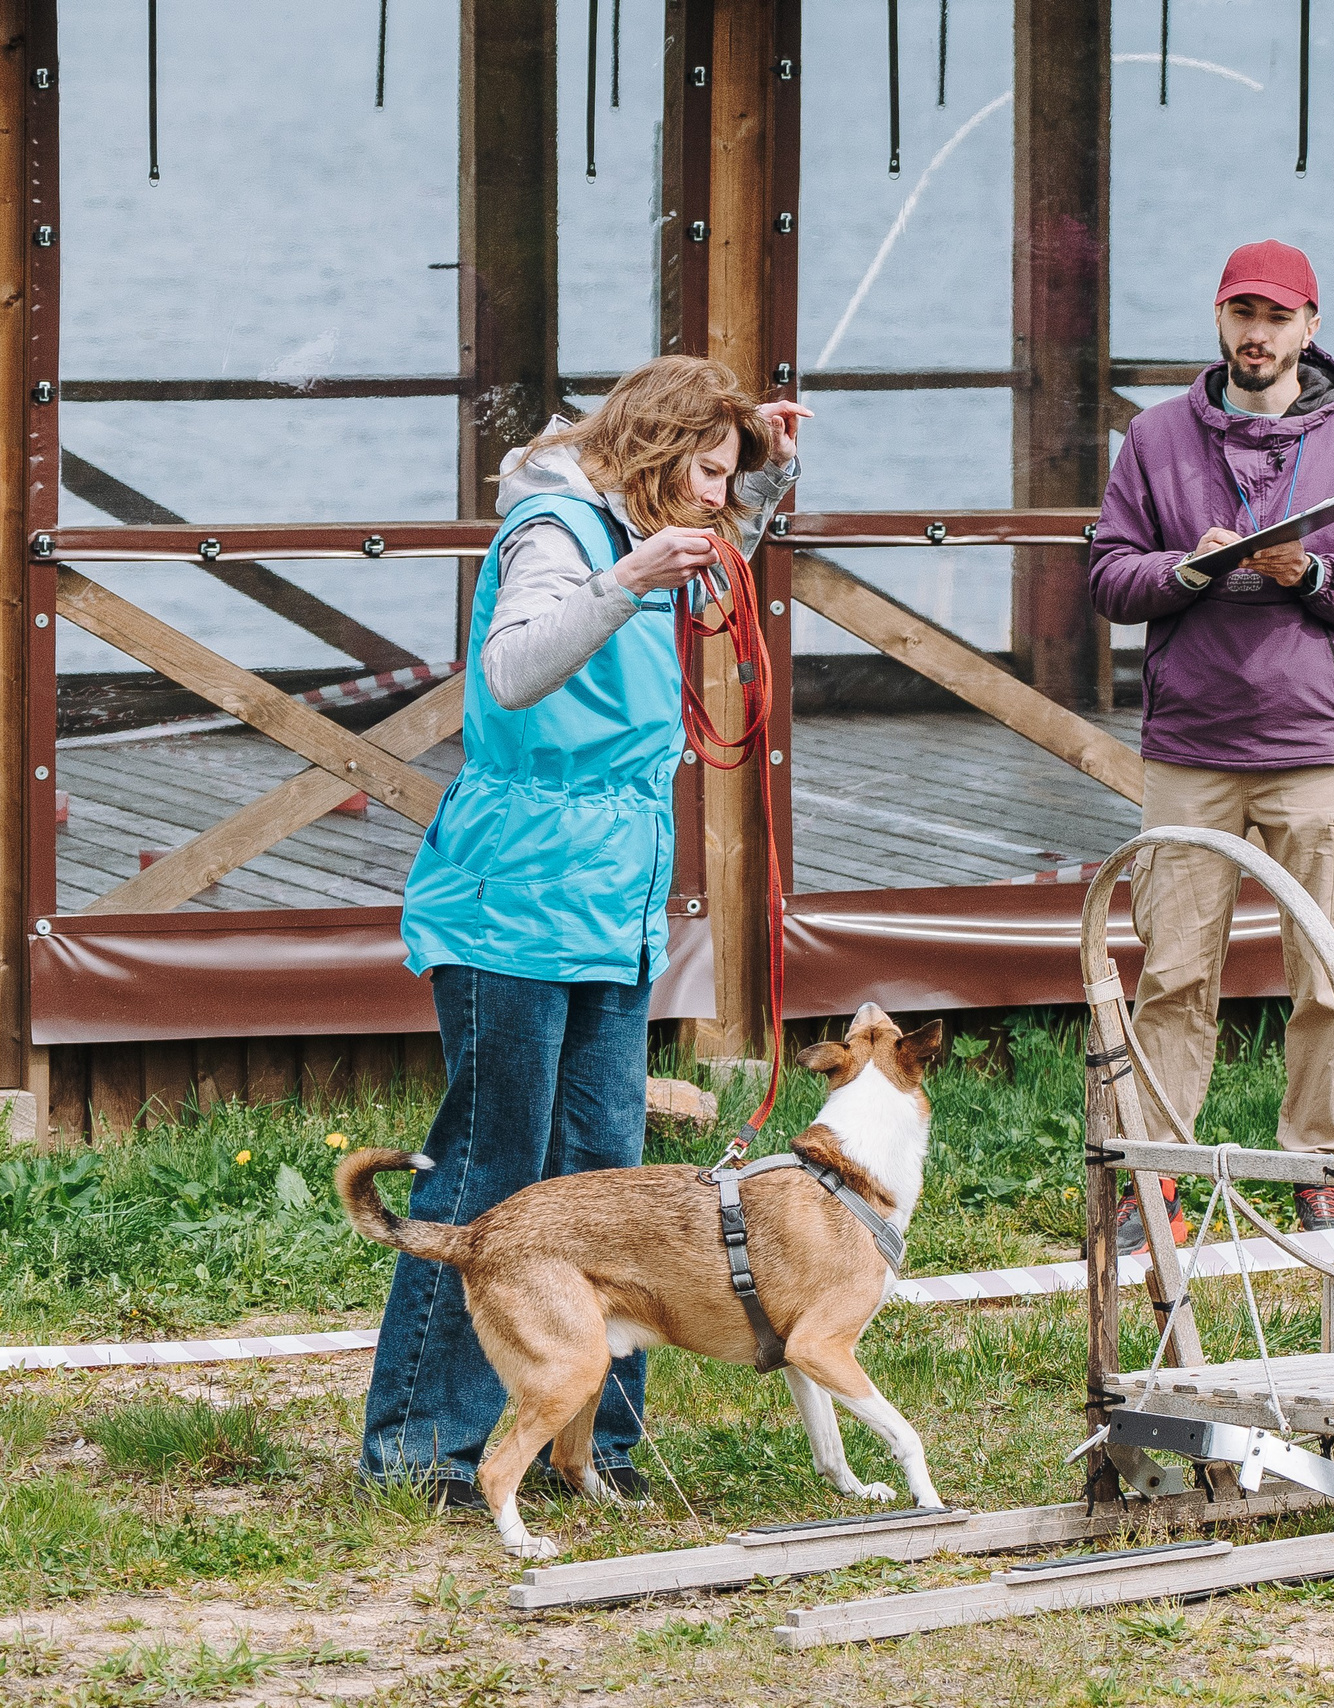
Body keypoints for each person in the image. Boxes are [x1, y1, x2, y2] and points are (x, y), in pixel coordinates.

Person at [361, 356, 809, 1509]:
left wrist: (766, 477)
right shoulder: (557, 530)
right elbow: (511, 669)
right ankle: (419, 1445)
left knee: (608, 1180)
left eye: (725, 481)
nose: (713, 498)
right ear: (654, 459)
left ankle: (588, 1446)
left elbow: (701, 557)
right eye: (705, 474)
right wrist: (626, 575)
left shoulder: (645, 521)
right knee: (489, 1172)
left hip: (610, 903)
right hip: (511, 901)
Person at [1088, 240, 1334, 1250]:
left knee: (1329, 972)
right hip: (1189, 748)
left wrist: (1310, 576)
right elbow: (1107, 577)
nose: (1256, 333)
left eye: (1276, 316)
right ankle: (1154, 1183)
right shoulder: (1153, 438)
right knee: (1173, 977)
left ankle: (1323, 1164)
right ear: (1218, 318)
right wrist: (1183, 575)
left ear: (1310, 328)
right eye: (1242, 312)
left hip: (1318, 748)